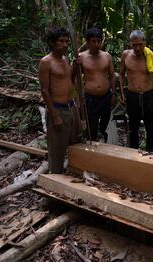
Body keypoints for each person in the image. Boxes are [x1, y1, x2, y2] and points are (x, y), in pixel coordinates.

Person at [38, 27, 82, 173]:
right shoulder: (46, 62)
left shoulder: (65, 59)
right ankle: (55, 176)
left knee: (75, 143)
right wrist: (54, 114)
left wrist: (75, 67)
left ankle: (72, 172)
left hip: (71, 107)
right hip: (58, 109)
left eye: (66, 42)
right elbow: (44, 90)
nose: (65, 45)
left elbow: (70, 79)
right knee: (57, 149)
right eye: (61, 41)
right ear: (52, 42)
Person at [119, 30, 153, 152]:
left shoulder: (151, 56)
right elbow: (121, 75)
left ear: (144, 43)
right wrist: (122, 93)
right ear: (130, 44)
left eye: (140, 44)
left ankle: (151, 151)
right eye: (134, 45)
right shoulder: (125, 55)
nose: (137, 48)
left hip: (148, 95)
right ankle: (133, 151)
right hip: (132, 95)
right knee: (133, 126)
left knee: (150, 126)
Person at [79, 27, 115, 142]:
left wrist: (114, 94)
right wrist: (78, 98)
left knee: (105, 125)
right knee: (91, 126)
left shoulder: (106, 56)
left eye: (99, 41)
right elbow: (76, 78)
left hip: (106, 96)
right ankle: (92, 146)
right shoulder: (81, 57)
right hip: (90, 98)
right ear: (88, 42)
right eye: (93, 41)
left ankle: (104, 146)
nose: (96, 44)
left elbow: (112, 76)